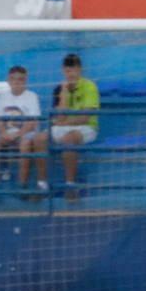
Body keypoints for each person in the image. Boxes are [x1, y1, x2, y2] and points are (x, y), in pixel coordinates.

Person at [0, 65, 45, 193]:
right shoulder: (3, 97)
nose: (17, 82)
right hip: (7, 134)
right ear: (8, 80)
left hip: (26, 134)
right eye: (13, 79)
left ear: (25, 81)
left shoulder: (32, 96)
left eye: (20, 79)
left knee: (25, 144)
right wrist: (3, 133)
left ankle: (22, 186)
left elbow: (32, 123)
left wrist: (17, 135)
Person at [44, 53, 99, 200]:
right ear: (63, 71)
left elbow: (85, 118)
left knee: (68, 139)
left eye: (74, 70)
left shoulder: (90, 86)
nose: (71, 74)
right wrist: (64, 92)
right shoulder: (59, 89)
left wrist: (63, 123)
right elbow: (60, 116)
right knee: (39, 139)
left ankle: (70, 186)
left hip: (87, 127)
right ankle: (41, 185)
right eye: (68, 71)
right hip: (64, 125)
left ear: (80, 70)